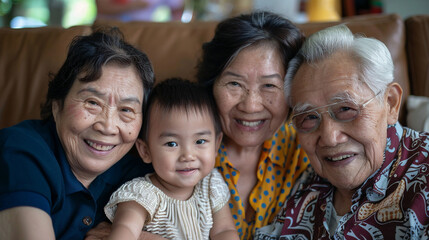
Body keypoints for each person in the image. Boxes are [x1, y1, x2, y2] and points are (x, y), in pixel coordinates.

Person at [255, 24, 429, 239]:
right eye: (309, 117)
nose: (329, 138)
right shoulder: (306, 184)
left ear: (391, 103)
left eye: (346, 109)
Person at [0, 27, 154, 239]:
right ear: (57, 106)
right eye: (92, 103)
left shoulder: (141, 174)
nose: (108, 126)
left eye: (126, 110)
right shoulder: (22, 150)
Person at [196, 11, 310, 239]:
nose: (250, 106)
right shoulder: (183, 147)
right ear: (212, 85)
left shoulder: (307, 148)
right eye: (234, 83)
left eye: (269, 86)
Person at [104, 78, 239, 240]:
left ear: (216, 145)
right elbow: (125, 229)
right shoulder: (142, 195)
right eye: (172, 143)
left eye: (200, 141)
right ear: (145, 151)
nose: (188, 155)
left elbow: (224, 231)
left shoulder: (211, 186)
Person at [95, 0, 184, 22]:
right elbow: (101, 7)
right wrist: (134, 6)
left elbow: (177, 10)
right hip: (107, 30)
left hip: (143, 33)